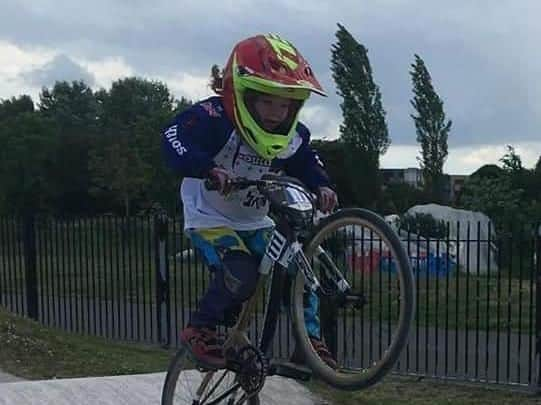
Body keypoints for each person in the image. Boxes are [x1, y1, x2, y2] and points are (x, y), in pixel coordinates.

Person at [162, 34, 338, 370]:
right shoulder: (212, 117)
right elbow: (172, 138)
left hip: (257, 221)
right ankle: (200, 328)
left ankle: (309, 345)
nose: (276, 114)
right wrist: (207, 168)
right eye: (268, 102)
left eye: (285, 105)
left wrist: (322, 186)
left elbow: (307, 161)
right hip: (210, 218)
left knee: (296, 270)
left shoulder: (293, 135)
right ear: (243, 94)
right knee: (239, 272)